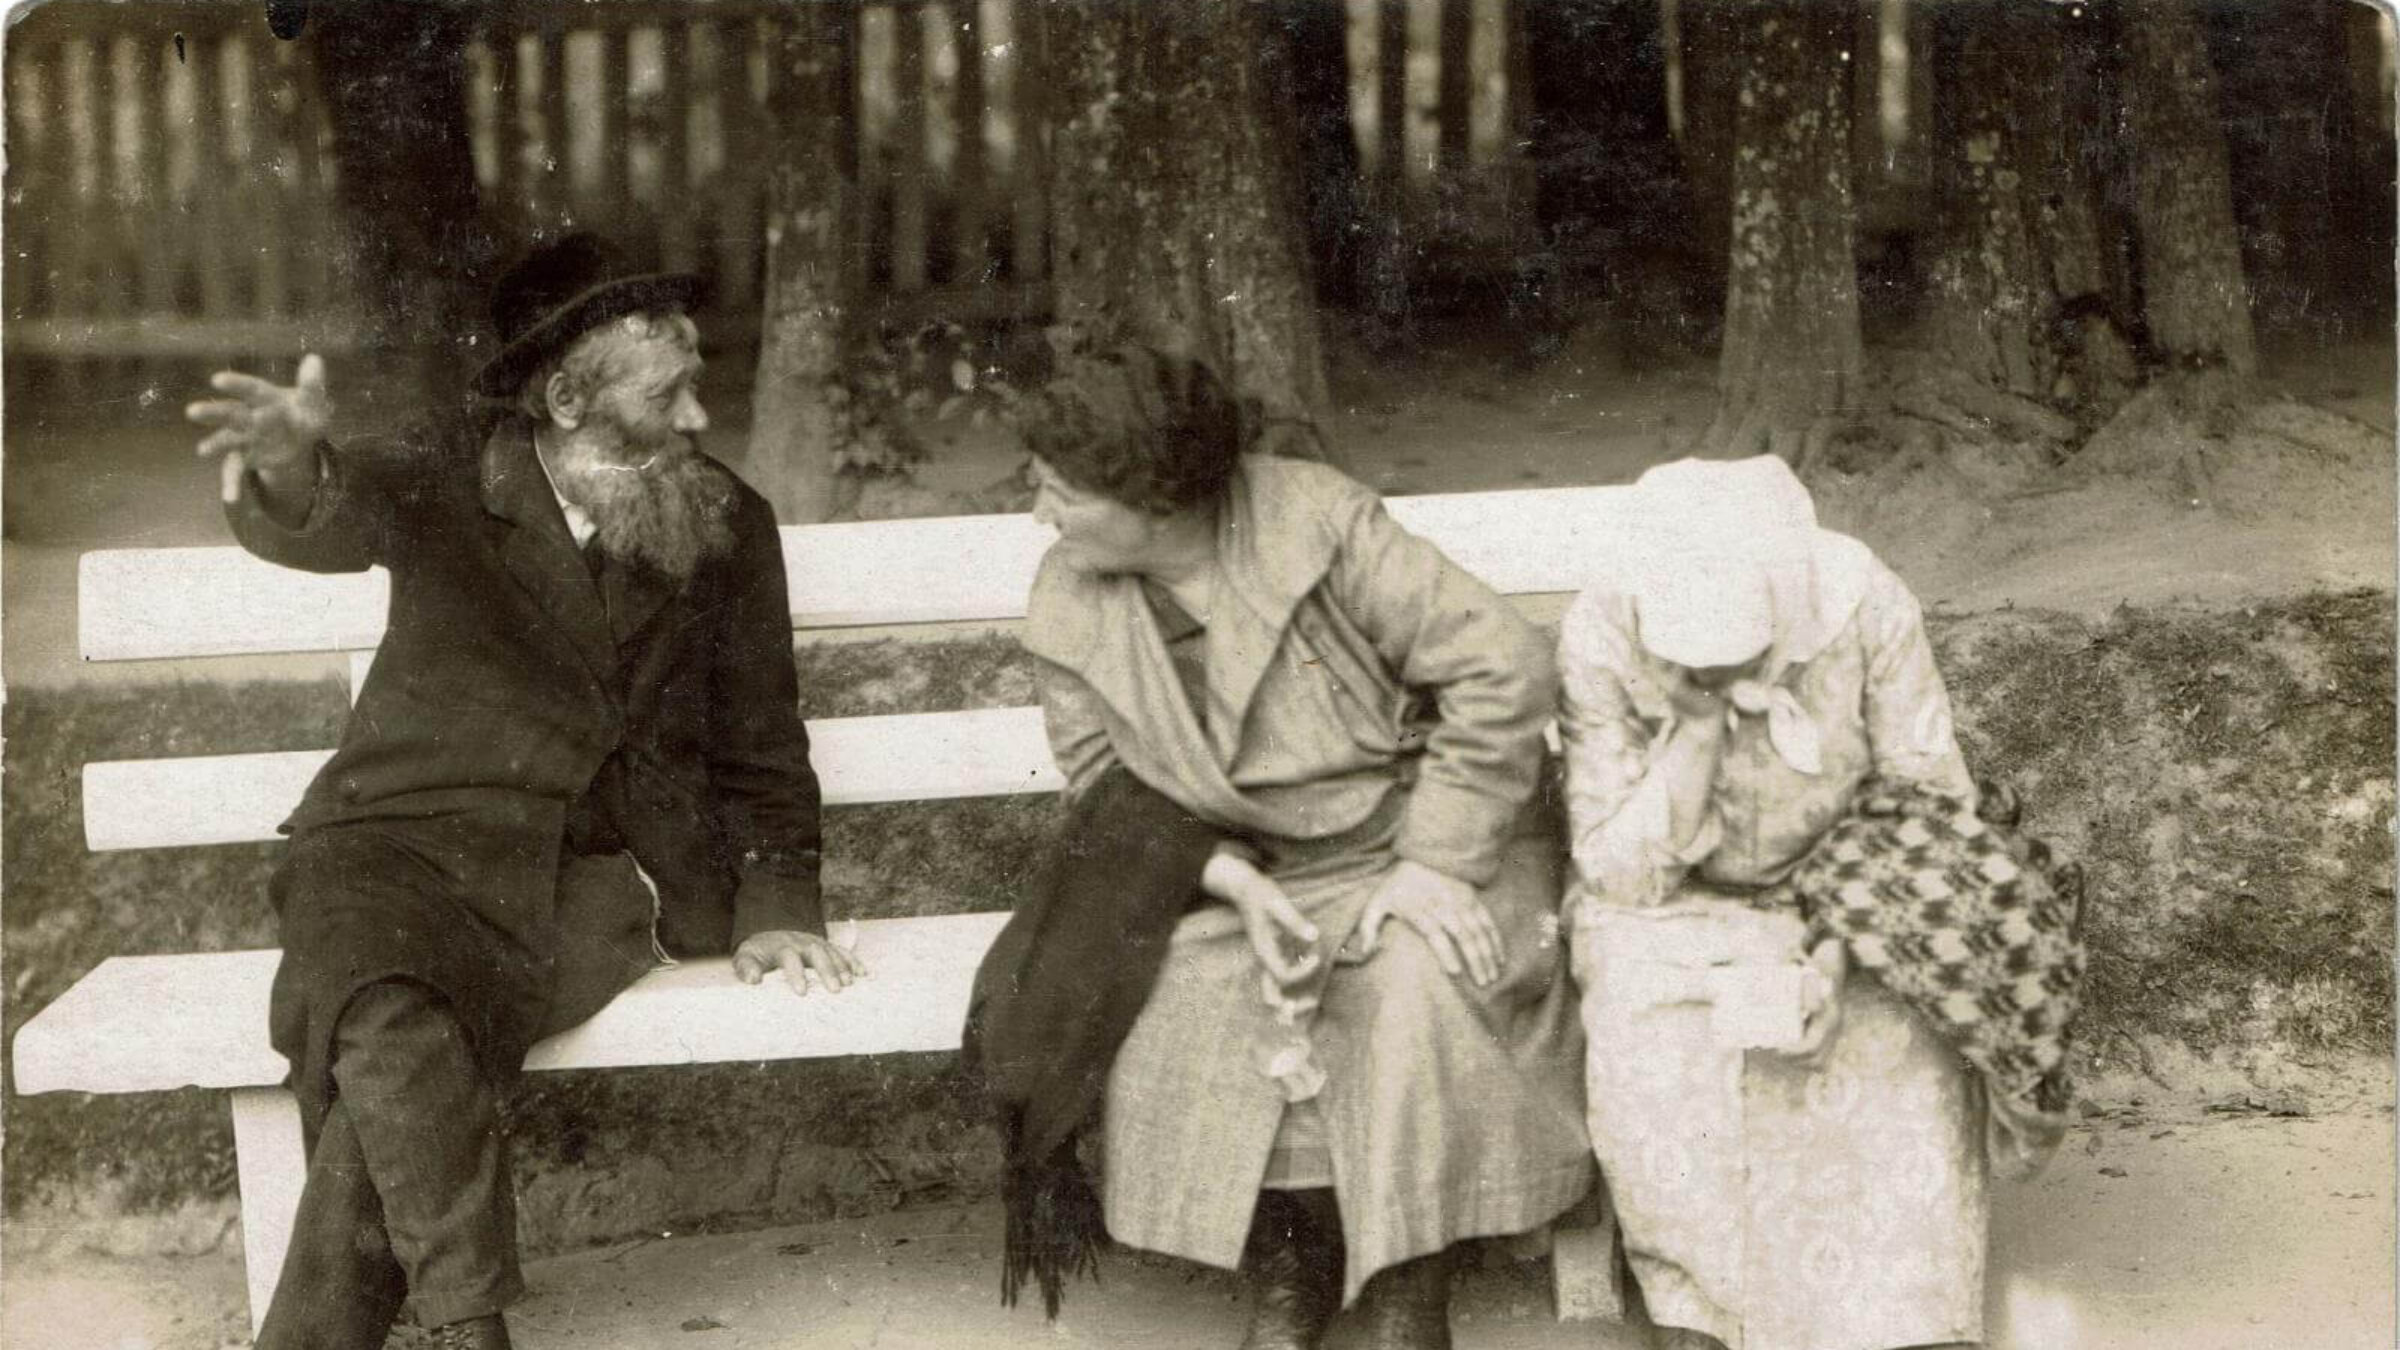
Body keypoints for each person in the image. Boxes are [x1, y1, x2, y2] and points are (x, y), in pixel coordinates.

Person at [184, 231, 860, 1350]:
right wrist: (295, 464)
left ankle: (431, 1332)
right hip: (393, 839)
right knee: (385, 981)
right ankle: (466, 1327)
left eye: (698, 386)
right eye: (668, 394)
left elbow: (762, 739)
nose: (697, 419)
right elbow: (335, 509)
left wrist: (780, 901)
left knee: (393, 1014)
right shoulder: (453, 476)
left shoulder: (729, 522)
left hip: (598, 871)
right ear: (563, 398)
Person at [1016, 343, 1593, 1350]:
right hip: (1238, 867)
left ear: (1153, 497)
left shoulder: (1319, 520)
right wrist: (1226, 879)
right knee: (1184, 982)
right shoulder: (1068, 595)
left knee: (1413, 976)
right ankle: (1296, 1259)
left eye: (1060, 491)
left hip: (1424, 834)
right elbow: (1100, 784)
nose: (1039, 513)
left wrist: (1432, 862)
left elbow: (1501, 667)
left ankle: (1411, 1278)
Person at [1555, 454, 1987, 1350]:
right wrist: (1699, 733)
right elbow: (1615, 868)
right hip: (1667, 905)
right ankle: (1699, 1308)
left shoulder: (1863, 605)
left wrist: (1838, 950)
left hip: (1854, 887)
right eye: (1694, 664)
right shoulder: (1605, 628)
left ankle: (1900, 1314)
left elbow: (1928, 797)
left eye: (1736, 658)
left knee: (1897, 1037)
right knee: (1661, 1040)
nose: (1715, 675)